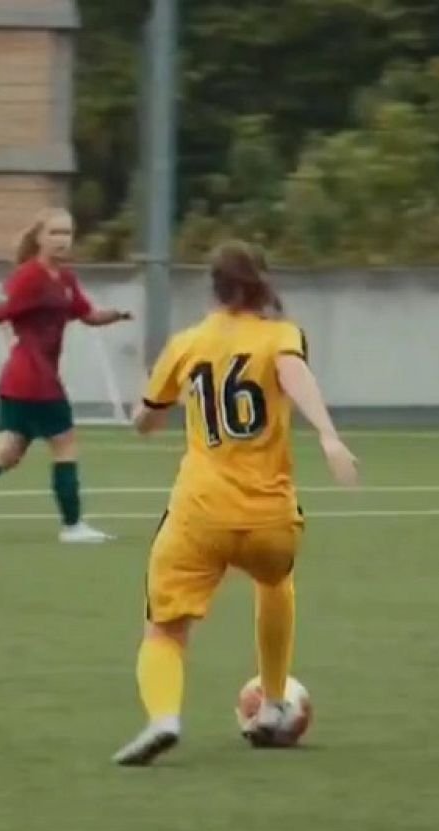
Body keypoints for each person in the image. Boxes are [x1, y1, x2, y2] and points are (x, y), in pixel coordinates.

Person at [112, 241, 359, 766]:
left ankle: (163, 717)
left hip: (199, 512)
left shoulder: (186, 343)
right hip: (268, 515)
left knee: (166, 627)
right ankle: (272, 703)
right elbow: (294, 376)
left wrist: (145, 408)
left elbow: (146, 422)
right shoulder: (280, 336)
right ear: (261, 285)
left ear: (213, 287)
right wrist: (329, 436)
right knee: (274, 581)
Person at [0, 209, 132, 544]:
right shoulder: (28, 277)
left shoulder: (65, 279)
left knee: (6, 453)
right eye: (56, 233)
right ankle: (73, 525)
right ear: (40, 237)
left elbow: (87, 314)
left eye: (68, 233)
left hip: (25, 381)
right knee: (65, 444)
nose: (63, 240)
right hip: (34, 378)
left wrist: (116, 315)